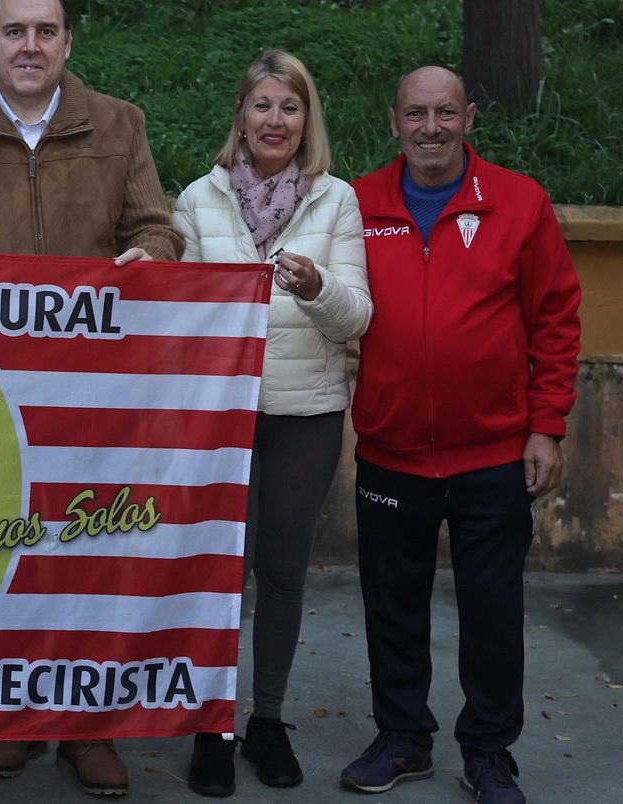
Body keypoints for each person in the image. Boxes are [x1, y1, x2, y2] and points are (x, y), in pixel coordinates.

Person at [0, 0, 182, 797]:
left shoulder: (122, 126)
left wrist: (151, 260)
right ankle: (7, 715)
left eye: (46, 31)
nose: (30, 45)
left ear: (67, 42)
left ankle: (88, 726)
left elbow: (157, 227)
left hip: (96, 392)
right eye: (14, 31)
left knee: (87, 551)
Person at [339, 66, 581, 804]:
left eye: (446, 112)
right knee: (393, 606)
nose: (431, 127)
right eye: (417, 114)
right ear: (394, 122)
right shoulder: (356, 204)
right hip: (391, 450)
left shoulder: (519, 202)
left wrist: (547, 426)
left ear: (470, 116)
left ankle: (488, 752)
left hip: (493, 453)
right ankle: (404, 737)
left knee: (492, 611)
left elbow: (555, 317)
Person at [172, 50, 372, 797]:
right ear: (241, 116)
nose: (275, 120)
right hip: (218, 419)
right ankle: (211, 725)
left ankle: (269, 721)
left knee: (282, 573)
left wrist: (318, 287)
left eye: (290, 107)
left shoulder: (337, 202)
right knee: (219, 575)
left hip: (304, 415)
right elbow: (180, 315)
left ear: (306, 118)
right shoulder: (198, 198)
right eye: (262, 105)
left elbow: (359, 315)